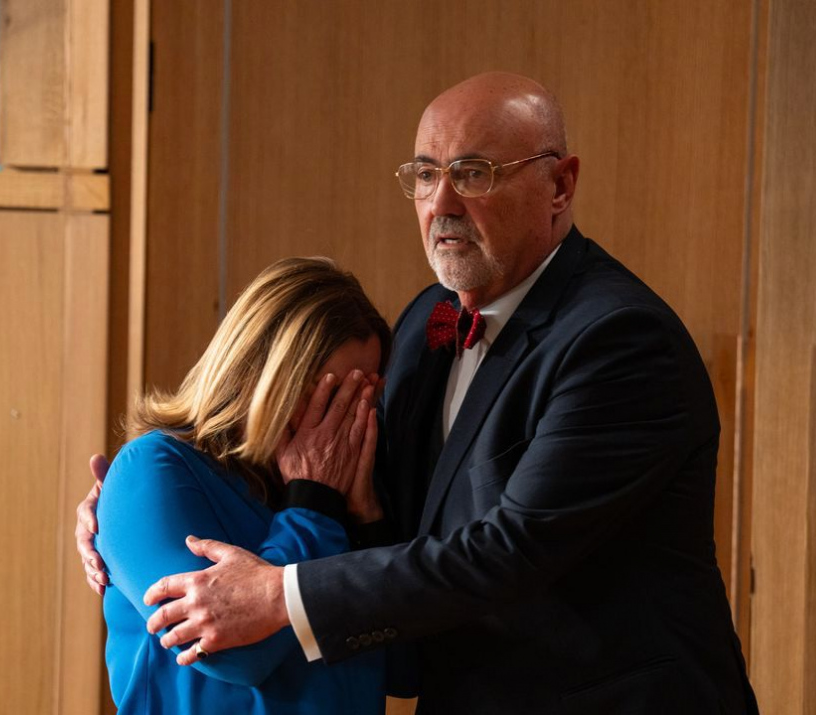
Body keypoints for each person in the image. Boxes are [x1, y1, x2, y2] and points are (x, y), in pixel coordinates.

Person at [79, 72, 758, 714]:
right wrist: (122, 505)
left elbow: (511, 549)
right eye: (426, 175)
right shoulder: (424, 323)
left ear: (560, 184)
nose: (442, 204)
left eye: (474, 172)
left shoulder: (619, 338)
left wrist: (281, 594)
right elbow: (380, 511)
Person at [92, 257, 392, 714]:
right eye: (329, 394)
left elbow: (404, 669)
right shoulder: (152, 469)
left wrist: (368, 523)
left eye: (362, 398)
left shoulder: (345, 493)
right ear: (263, 373)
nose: (342, 420)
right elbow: (233, 654)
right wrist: (313, 506)